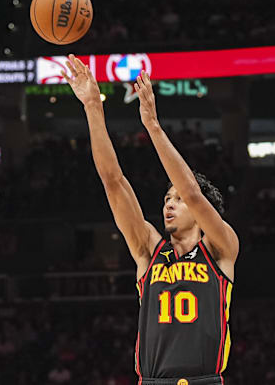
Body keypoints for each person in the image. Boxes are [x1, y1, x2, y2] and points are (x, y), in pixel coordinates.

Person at [61, 55, 239, 385]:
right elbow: (113, 181)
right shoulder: (148, 250)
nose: (169, 205)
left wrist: (153, 127)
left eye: (177, 200)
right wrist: (92, 107)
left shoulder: (221, 247)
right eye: (166, 199)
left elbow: (193, 193)